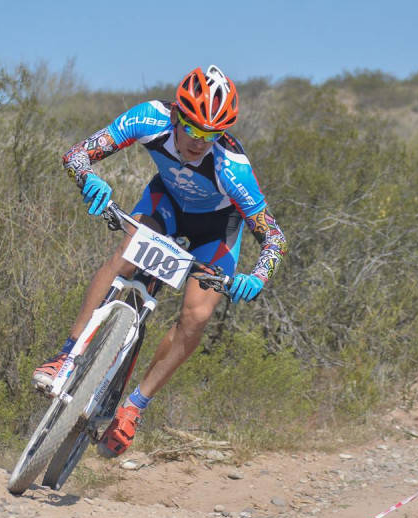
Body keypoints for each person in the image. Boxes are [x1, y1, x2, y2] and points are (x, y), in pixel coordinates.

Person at [32, 65, 287, 458]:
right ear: (176, 116)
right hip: (165, 203)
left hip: (215, 229)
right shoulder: (148, 117)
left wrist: (258, 277)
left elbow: (273, 237)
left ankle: (133, 407)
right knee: (126, 257)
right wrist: (89, 180)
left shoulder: (233, 168)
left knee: (197, 316)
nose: (201, 142)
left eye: (213, 134)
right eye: (195, 130)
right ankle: (66, 356)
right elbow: (77, 155)